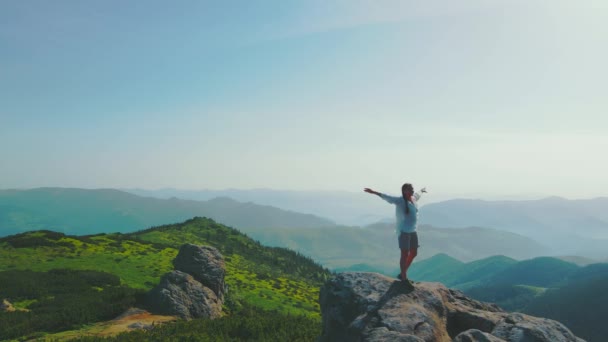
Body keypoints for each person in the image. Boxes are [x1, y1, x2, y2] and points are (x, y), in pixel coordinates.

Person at [364, 183, 427, 286]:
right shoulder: (400, 201)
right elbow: (387, 197)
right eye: (410, 189)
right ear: (405, 191)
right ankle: (404, 278)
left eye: (412, 189)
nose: (412, 191)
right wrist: (373, 192)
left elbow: (417, 195)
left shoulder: (413, 199)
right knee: (404, 254)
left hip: (413, 231)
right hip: (404, 231)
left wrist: (422, 191)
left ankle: (402, 274)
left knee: (414, 253)